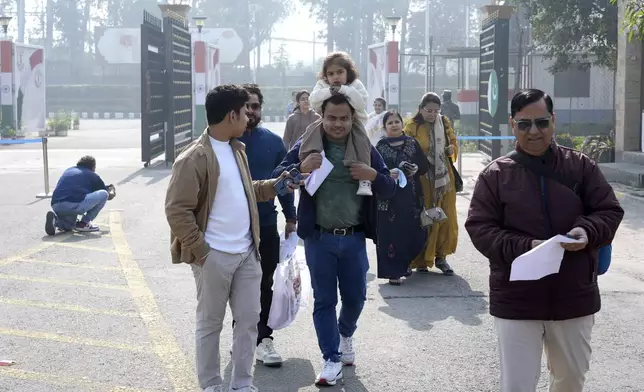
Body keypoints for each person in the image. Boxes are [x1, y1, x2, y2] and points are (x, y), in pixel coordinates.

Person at [465, 89, 624, 392]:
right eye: (524, 124)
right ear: (513, 125)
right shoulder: (495, 175)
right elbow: (481, 229)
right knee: (517, 386)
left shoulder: (581, 167)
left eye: (541, 122)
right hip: (516, 300)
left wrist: (586, 231)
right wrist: (529, 247)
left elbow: (609, 211)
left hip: (573, 297)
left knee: (570, 381)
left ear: (553, 121)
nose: (534, 131)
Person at [164, 84, 303, 392]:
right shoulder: (194, 158)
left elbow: (246, 190)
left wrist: (277, 186)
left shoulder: (235, 149)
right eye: (244, 111)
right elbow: (177, 210)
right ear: (231, 115)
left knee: (249, 321)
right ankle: (212, 385)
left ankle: (242, 384)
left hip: (247, 253)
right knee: (210, 324)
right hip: (213, 257)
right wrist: (203, 252)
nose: (249, 116)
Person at [272, 93, 396, 386]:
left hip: (353, 238)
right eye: (331, 118)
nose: (337, 124)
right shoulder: (308, 144)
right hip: (319, 239)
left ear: (352, 118)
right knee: (324, 300)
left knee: (355, 298)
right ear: (321, 117)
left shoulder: (364, 145)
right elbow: (277, 177)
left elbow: (389, 187)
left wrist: (372, 175)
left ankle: (346, 334)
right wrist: (299, 169)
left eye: (343, 118)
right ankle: (331, 358)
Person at [236, 83, 297, 367]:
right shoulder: (223, 142)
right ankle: (242, 338)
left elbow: (282, 184)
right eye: (245, 105)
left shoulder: (273, 142)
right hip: (233, 229)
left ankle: (263, 339)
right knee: (237, 286)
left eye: (255, 105)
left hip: (267, 226)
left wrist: (291, 217)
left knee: (264, 283)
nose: (250, 111)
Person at [404, 92, 458, 276]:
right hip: (422, 179)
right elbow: (406, 148)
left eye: (436, 111)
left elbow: (453, 142)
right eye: (429, 110)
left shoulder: (444, 122)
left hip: (443, 179)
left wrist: (451, 149)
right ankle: (420, 260)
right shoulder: (412, 125)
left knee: (445, 217)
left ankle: (441, 257)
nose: (433, 114)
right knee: (424, 217)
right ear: (421, 109)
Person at [303, 52, 373, 195]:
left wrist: (344, 90)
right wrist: (330, 91)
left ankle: (364, 181)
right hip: (322, 124)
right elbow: (313, 100)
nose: (336, 77)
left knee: (362, 143)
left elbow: (361, 104)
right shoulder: (322, 85)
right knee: (311, 132)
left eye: (340, 72)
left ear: (349, 72)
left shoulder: (355, 85)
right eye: (331, 73)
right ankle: (312, 172)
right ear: (325, 75)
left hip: (355, 125)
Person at [375, 110, 428, 285]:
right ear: (384, 127)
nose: (394, 125)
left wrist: (416, 169)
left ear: (402, 123)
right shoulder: (380, 147)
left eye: (397, 121)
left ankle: (405, 264)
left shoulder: (412, 143)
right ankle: (393, 272)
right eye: (390, 123)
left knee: (412, 232)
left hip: (411, 197)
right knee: (391, 235)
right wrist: (388, 174)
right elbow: (373, 170)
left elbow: (424, 165)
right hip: (389, 199)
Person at [45, 155, 116, 235]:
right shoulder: (92, 175)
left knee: (70, 226)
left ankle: (55, 221)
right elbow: (106, 194)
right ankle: (84, 223)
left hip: (56, 204)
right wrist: (112, 190)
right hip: (74, 203)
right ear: (93, 167)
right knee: (104, 194)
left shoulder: (69, 170)